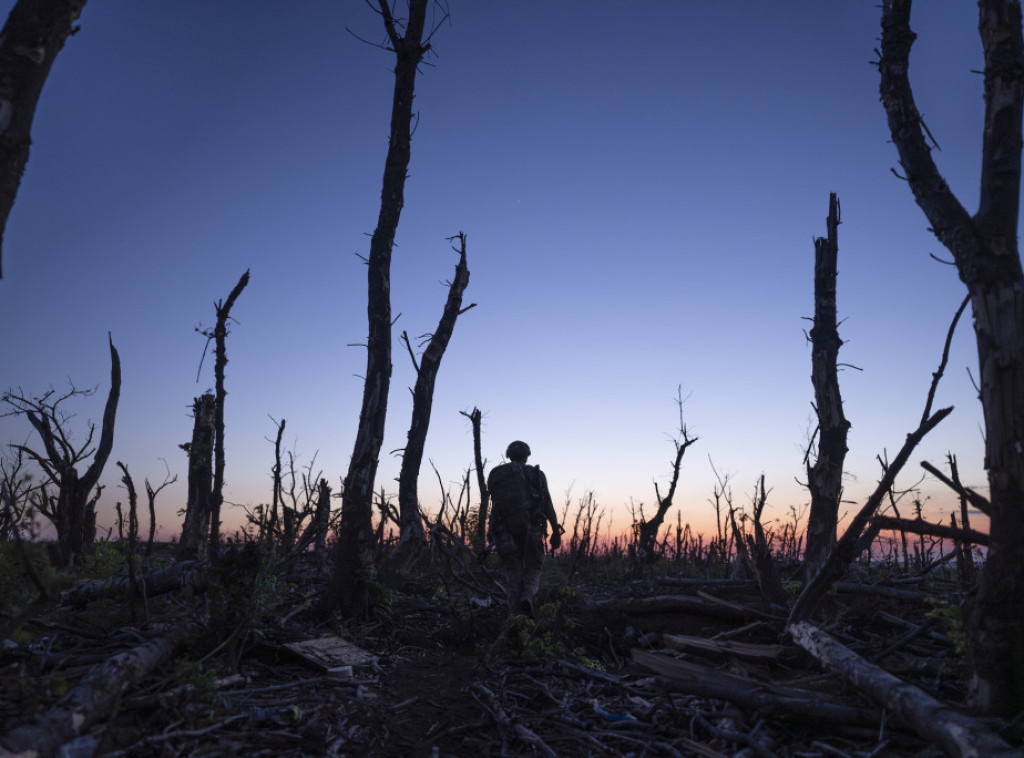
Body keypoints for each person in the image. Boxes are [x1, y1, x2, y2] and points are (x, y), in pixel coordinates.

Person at [486, 440, 562, 617]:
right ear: (527, 455)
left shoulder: (497, 474)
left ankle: (514, 613)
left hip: (504, 531)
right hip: (531, 529)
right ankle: (527, 595)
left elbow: (495, 507)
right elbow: (547, 503)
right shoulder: (536, 474)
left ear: (509, 454)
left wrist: (491, 533)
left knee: (513, 570)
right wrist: (556, 531)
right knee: (534, 566)